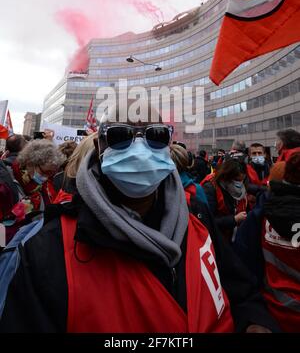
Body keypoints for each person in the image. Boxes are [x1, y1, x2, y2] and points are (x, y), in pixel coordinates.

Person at [0, 102, 278, 333]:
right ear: (99, 147)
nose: (140, 149)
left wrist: (255, 321)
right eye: (121, 136)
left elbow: (241, 290)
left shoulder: (198, 221)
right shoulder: (48, 249)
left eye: (155, 136)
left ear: (169, 146)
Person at [234, 153, 300, 332]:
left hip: (271, 314)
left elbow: (243, 266)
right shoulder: (260, 215)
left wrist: (253, 317)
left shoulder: (262, 215)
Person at [0, 139, 64, 244]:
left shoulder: (41, 188)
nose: (46, 178)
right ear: (30, 163)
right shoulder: (5, 183)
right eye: (45, 172)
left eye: (51, 174)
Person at [202, 159, 248, 241]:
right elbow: (208, 220)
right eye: (237, 180)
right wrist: (234, 219)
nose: (239, 184)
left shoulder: (240, 187)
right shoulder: (211, 188)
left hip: (232, 236)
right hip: (217, 238)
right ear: (226, 176)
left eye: (242, 180)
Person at [246, 143, 270, 208]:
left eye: (259, 153)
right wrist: (265, 189)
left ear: (264, 154)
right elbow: (246, 185)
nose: (257, 155)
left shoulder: (271, 168)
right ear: (249, 155)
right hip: (251, 206)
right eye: (254, 153)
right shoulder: (245, 169)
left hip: (267, 204)